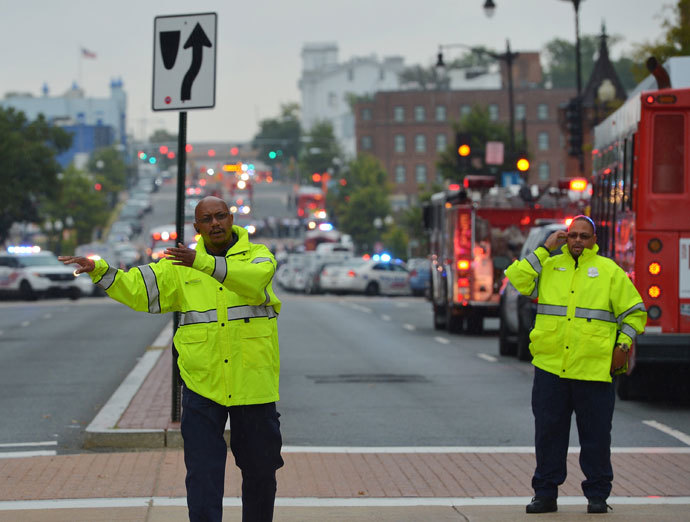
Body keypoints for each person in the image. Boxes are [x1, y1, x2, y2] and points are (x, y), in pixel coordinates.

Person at [60, 196, 284, 522]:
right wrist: (101, 271)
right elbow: (140, 287)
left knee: (261, 473)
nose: (215, 224)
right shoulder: (180, 265)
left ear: (232, 219)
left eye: (221, 216)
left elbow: (252, 281)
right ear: (197, 227)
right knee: (203, 477)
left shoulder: (258, 257)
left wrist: (201, 262)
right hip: (202, 384)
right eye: (207, 219)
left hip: (253, 384)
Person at [504, 215, 646, 515]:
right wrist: (544, 249)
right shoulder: (550, 266)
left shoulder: (610, 272)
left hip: (593, 370)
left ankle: (597, 495)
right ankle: (545, 494)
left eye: (584, 236)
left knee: (595, 438)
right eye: (572, 236)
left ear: (594, 240)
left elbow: (635, 313)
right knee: (548, 434)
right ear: (565, 238)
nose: (578, 241)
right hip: (551, 367)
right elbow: (517, 279)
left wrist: (623, 345)